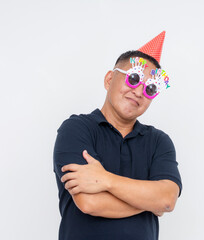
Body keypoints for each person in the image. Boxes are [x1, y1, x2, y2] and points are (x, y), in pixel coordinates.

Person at [53, 31, 182, 240]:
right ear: (109, 79)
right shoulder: (76, 129)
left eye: (150, 88)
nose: (139, 92)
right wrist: (150, 202)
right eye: (133, 79)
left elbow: (167, 199)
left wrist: (105, 180)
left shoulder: (159, 142)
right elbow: (89, 202)